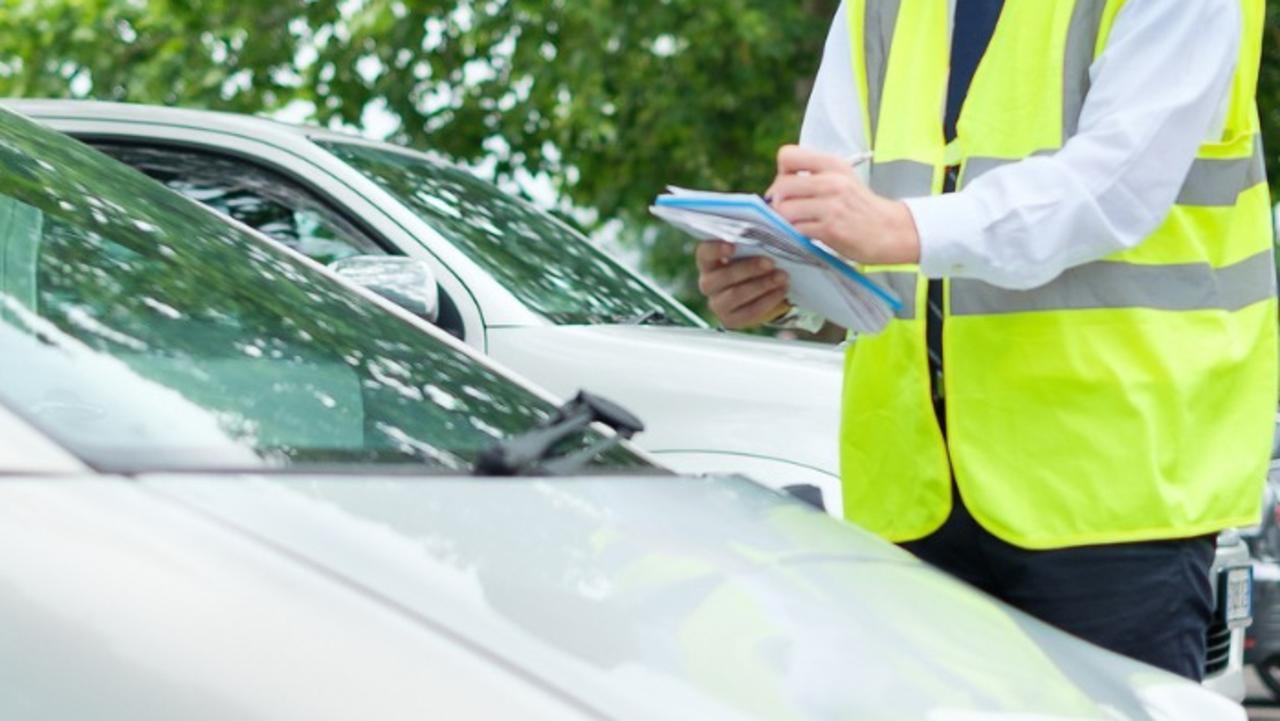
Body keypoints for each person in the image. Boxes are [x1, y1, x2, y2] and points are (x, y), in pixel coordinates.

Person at [694, 0, 1277, 681]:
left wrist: (901, 228)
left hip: (1110, 499)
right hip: (914, 494)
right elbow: (837, 204)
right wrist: (776, 277)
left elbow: (1112, 188)